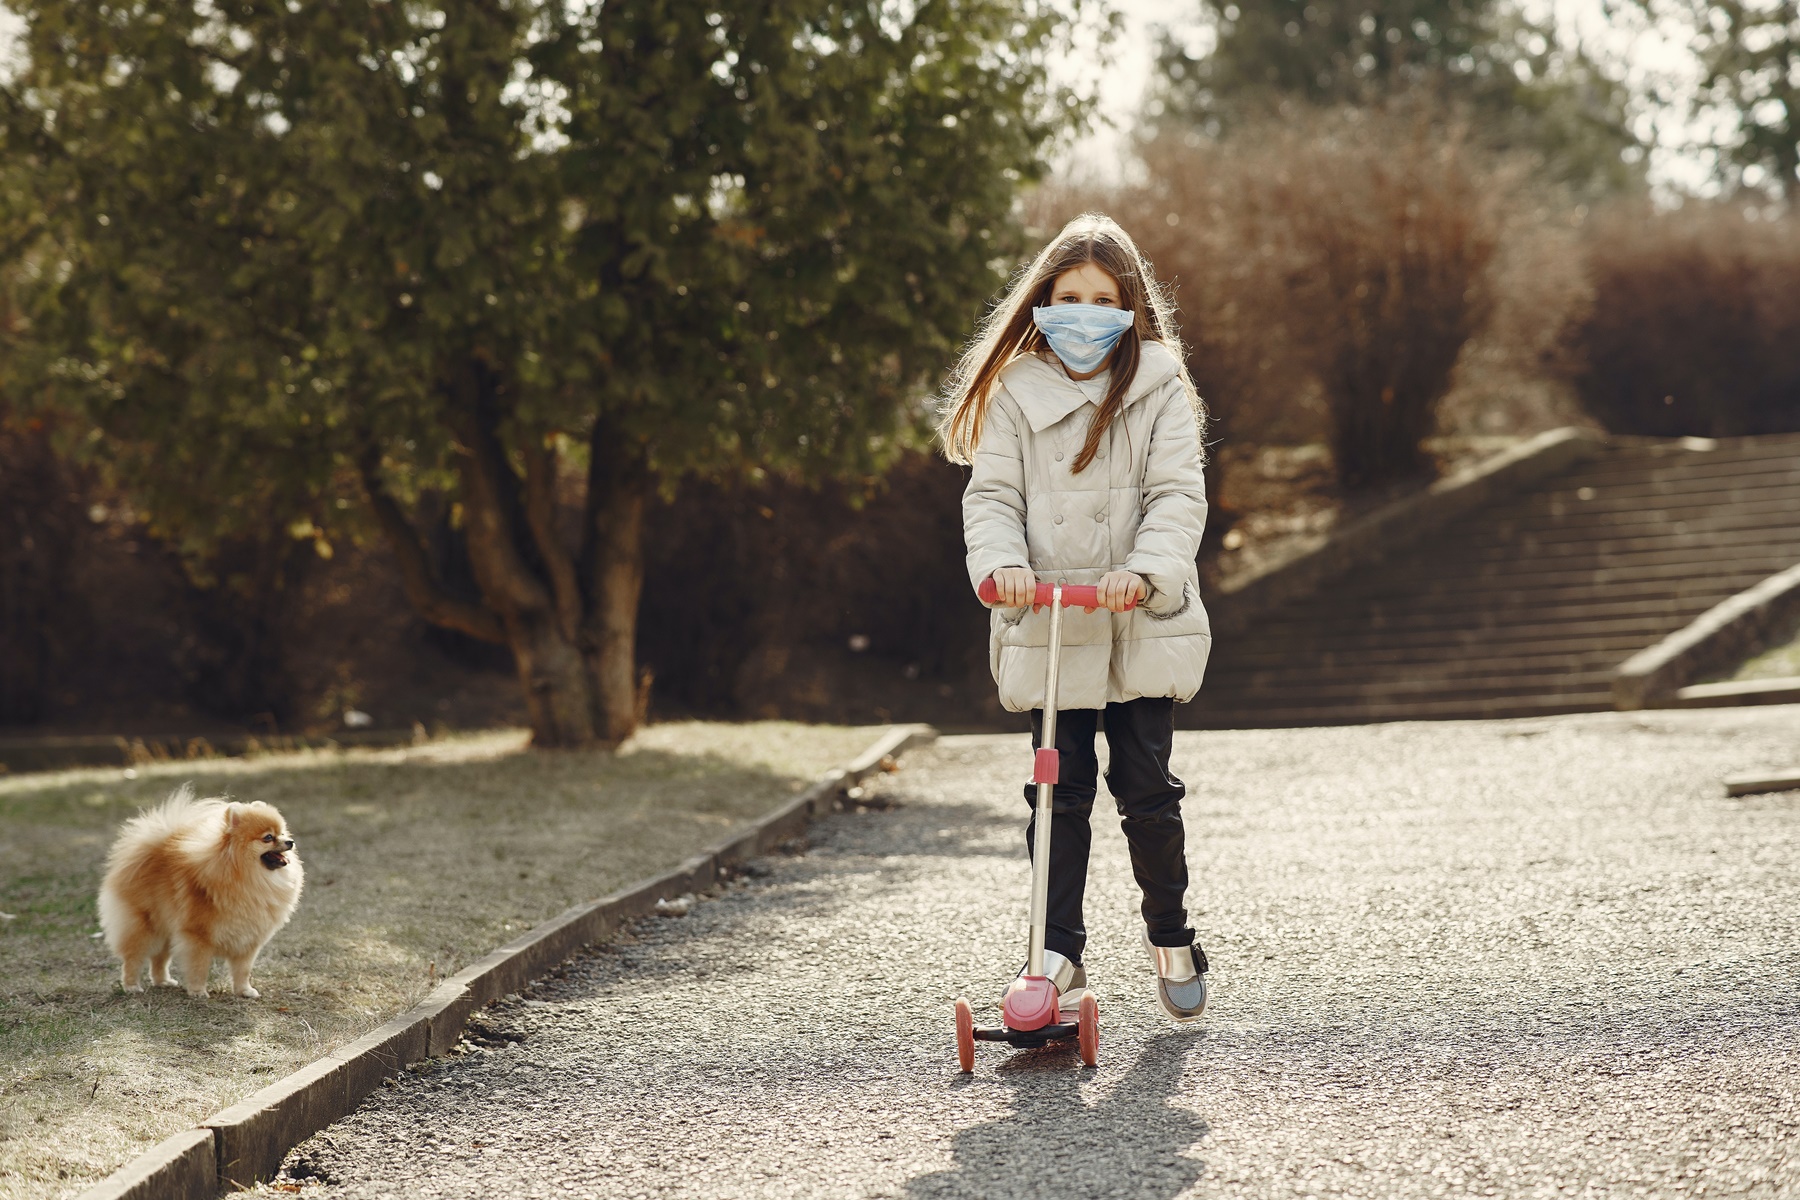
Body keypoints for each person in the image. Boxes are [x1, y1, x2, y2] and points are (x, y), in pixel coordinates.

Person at [939, 212, 1212, 1022]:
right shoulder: (1013, 397)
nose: (1085, 314)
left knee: (1146, 790)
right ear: (1041, 305)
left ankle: (1171, 932)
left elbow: (1175, 494)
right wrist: (1000, 568)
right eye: (1069, 297)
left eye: (1103, 298)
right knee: (1057, 795)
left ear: (1129, 307)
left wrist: (1148, 571)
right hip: (1053, 620)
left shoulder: (1159, 389)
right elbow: (992, 497)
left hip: (1136, 618)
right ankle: (1055, 951)